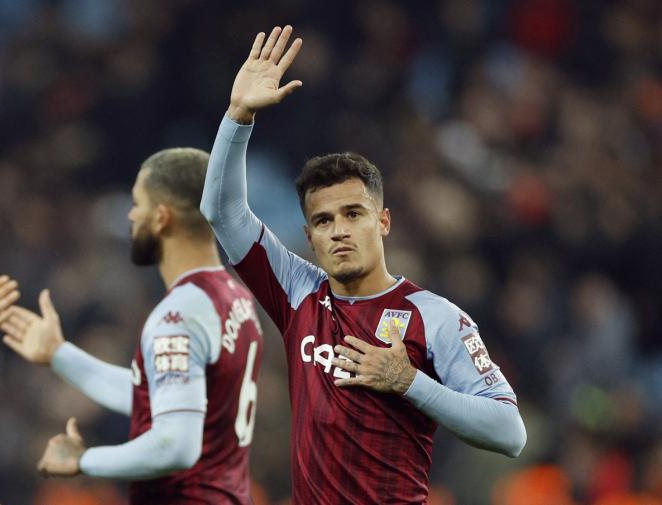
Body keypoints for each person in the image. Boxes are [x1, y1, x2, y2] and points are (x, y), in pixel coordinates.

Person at [200, 25, 526, 504]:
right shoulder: (297, 291)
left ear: (384, 222)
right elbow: (222, 212)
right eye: (324, 220)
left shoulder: (433, 317)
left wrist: (409, 382)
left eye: (353, 214)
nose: (339, 230)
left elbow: (509, 432)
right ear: (309, 237)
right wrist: (238, 115)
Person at [0, 148, 263, 505]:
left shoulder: (177, 315)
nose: (131, 214)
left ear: (161, 217)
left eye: (138, 202)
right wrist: (60, 355)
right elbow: (164, 398)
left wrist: (84, 461)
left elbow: (175, 446)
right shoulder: (236, 299)